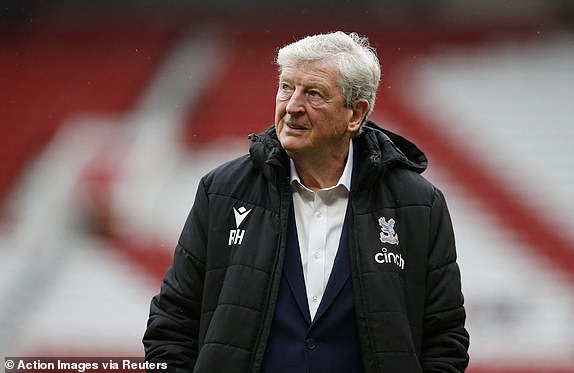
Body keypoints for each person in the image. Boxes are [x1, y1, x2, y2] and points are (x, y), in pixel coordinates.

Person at [143, 31, 470, 372]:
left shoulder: (417, 205)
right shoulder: (222, 192)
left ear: (354, 115)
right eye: (286, 87)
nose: (292, 106)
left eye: (313, 94)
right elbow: (171, 324)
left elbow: (444, 339)